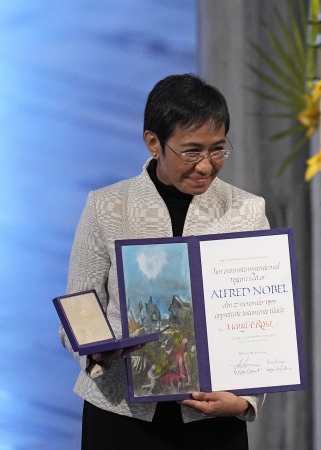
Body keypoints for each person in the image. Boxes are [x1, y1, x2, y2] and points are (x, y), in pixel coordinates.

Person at [60, 74, 269, 449]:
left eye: (218, 149)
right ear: (153, 143)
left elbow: (262, 319)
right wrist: (96, 349)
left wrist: (245, 399)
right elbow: (78, 308)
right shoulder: (107, 207)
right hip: (120, 413)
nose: (206, 166)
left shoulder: (247, 211)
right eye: (191, 151)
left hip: (214, 415)